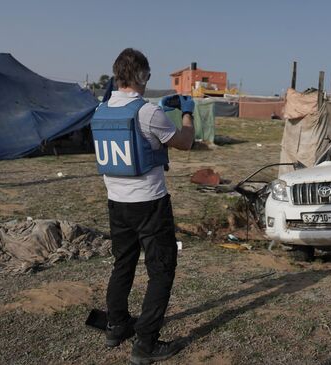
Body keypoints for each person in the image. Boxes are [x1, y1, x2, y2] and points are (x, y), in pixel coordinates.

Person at [97, 48, 194, 364]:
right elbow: (185, 142)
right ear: (141, 76)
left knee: (122, 264)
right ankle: (146, 344)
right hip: (149, 204)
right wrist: (187, 113)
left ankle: (115, 326)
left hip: (116, 202)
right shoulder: (148, 112)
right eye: (148, 76)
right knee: (161, 270)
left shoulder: (101, 110)